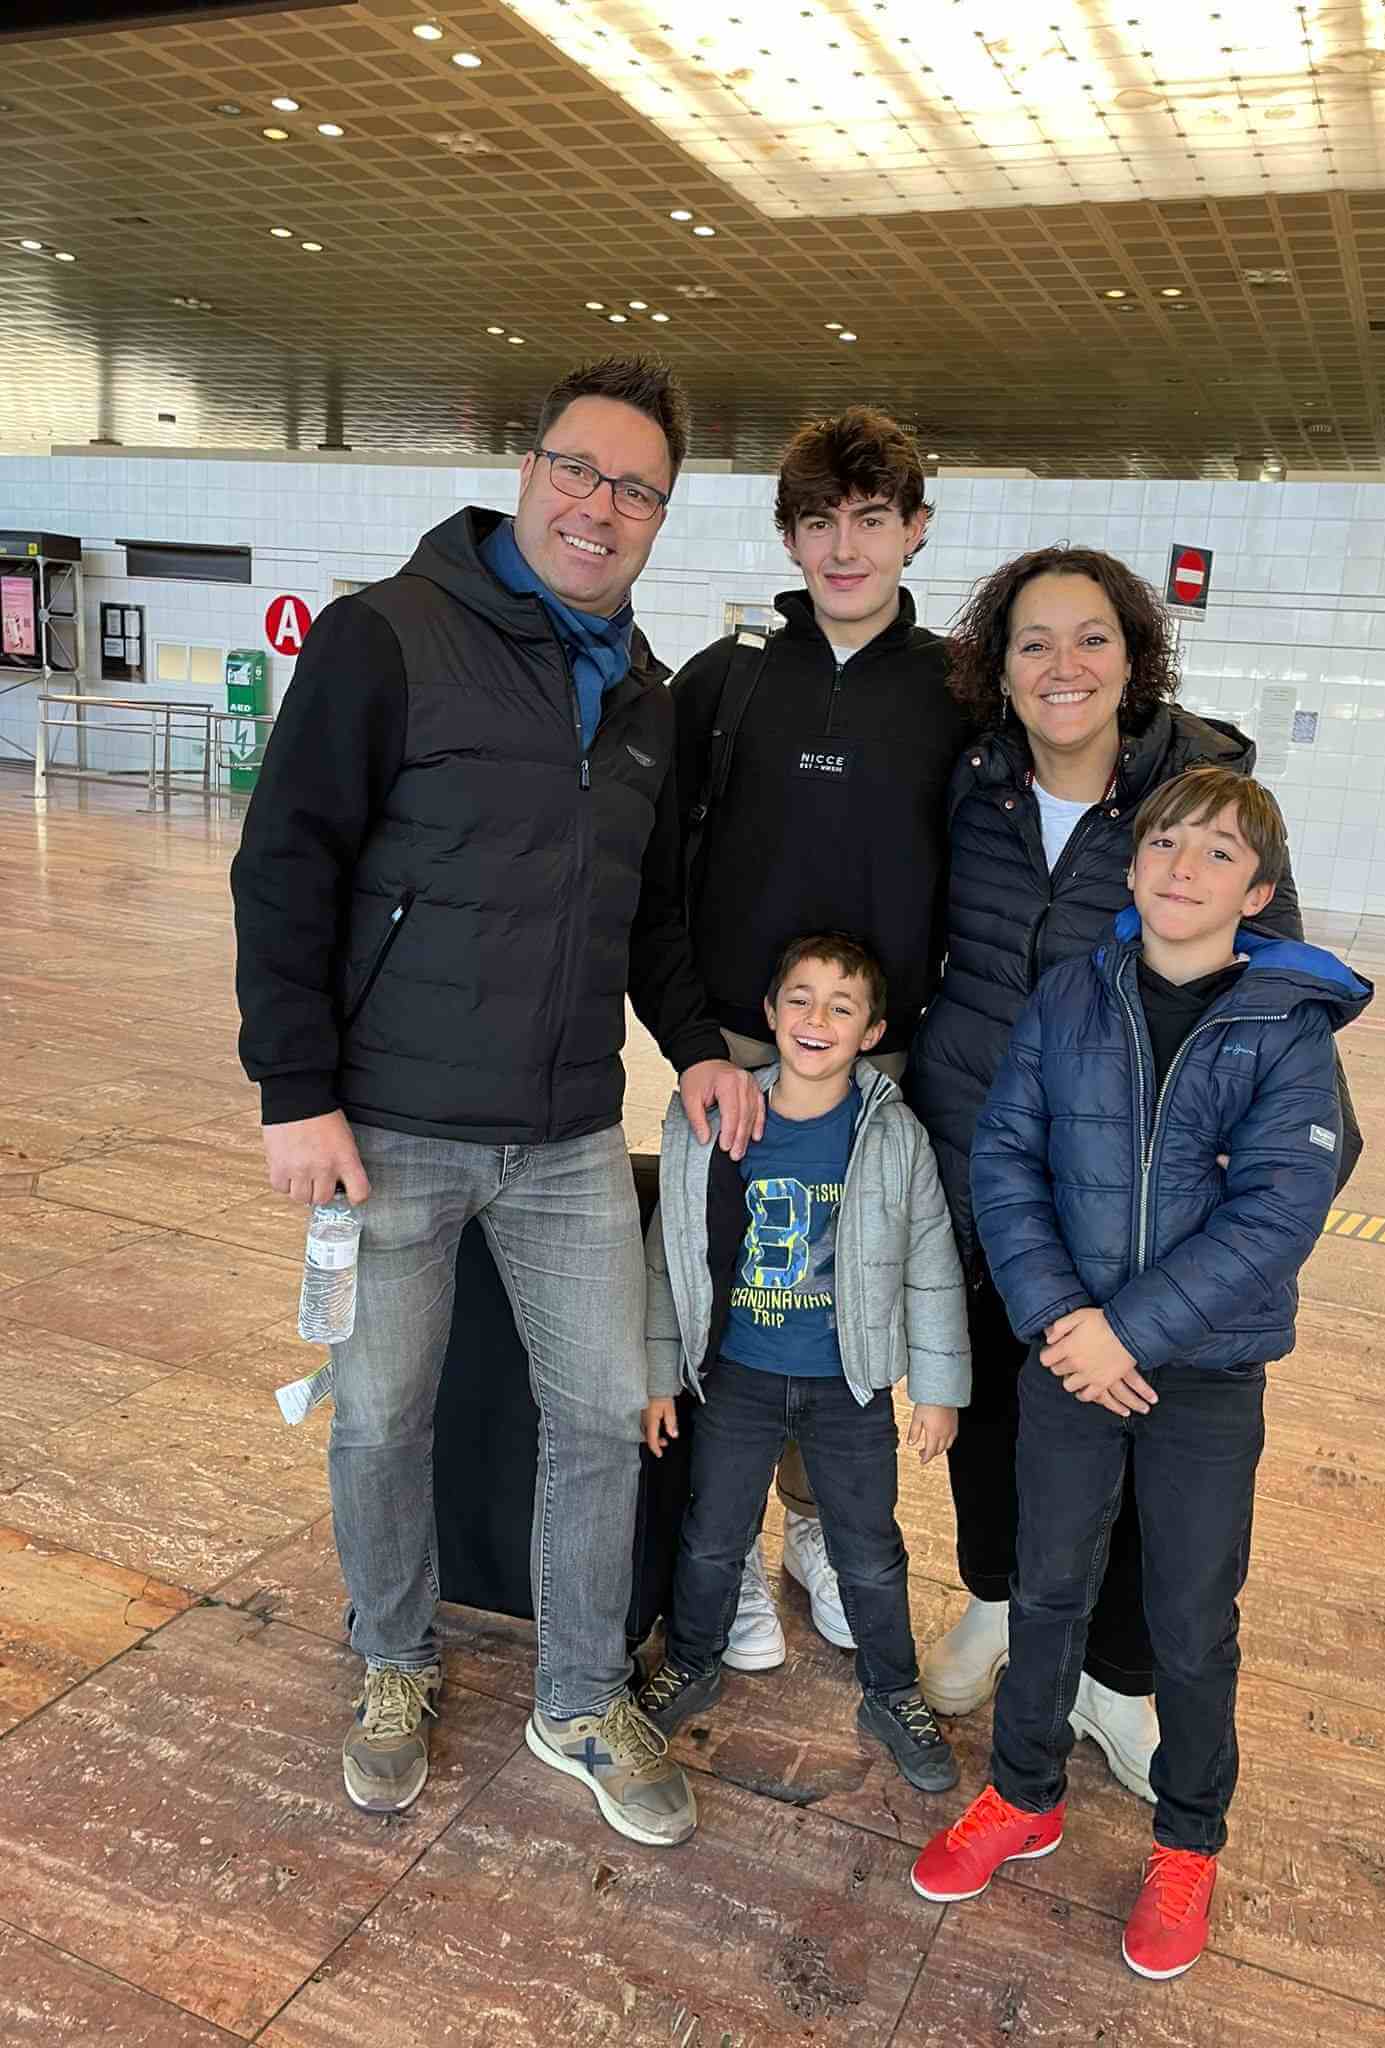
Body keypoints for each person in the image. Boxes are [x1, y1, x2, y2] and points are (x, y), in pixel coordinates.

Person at [231, 354, 760, 1846]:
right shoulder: (386, 636)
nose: (601, 504)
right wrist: (296, 1090)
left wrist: (698, 1040)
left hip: (570, 1133)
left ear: (660, 515)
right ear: (526, 472)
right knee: (380, 1418)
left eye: (636, 488)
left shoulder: (644, 694)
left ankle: (579, 1696)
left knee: (598, 1415)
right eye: (579, 469)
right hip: (389, 1126)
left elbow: (648, 913)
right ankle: (394, 1660)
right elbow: (286, 864)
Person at [911, 766, 1372, 1979]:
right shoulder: (1072, 993)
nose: (1183, 866)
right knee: (1046, 1585)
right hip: (1069, 1354)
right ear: (1132, 862)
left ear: (1259, 893)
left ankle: (1188, 1838)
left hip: (1204, 1373)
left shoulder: (1285, 1024)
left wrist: (1131, 1330)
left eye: (1219, 852)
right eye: (1166, 841)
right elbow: (1006, 1156)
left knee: (1190, 1616)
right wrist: (1062, 1315)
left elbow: (1277, 1212)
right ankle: (1024, 1793)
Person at [904, 544, 1345, 1798]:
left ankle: (1116, 1673)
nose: (1065, 664)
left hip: (1153, 1202)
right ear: (998, 666)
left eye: (1092, 636)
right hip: (988, 1159)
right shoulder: (972, 786)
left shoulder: (1191, 797)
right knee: (998, 1407)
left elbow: (1272, 992)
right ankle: (1002, 1600)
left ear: (1135, 655)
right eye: (1033, 640)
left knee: (1147, 1435)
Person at [670, 407, 972, 1670]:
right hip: (734, 1059)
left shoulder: (958, 693)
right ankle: (728, 1549)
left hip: (879, 1070)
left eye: (870, 519)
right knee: (724, 1297)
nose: (844, 547)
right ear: (788, 537)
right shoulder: (725, 681)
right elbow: (653, 874)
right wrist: (690, 1040)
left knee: (842, 1299)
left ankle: (812, 1529)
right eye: (818, 522)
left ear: (915, 529)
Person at [633, 933, 971, 1794]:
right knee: (714, 1535)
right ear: (770, 1013)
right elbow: (671, 1257)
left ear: (872, 1032)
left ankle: (892, 1692)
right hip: (737, 1378)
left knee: (871, 1550)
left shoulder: (891, 1137)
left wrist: (938, 1391)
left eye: (842, 1007)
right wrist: (659, 1375)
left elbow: (931, 1263)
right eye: (800, 1000)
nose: (817, 1019)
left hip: (847, 1388)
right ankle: (692, 1659)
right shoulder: (718, 1124)